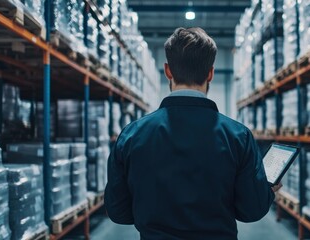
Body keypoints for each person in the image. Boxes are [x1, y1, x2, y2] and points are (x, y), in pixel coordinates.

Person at [105, 27, 281, 240]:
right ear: (210, 73)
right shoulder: (238, 136)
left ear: (168, 71)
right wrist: (266, 192)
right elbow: (250, 210)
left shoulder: (131, 136)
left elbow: (118, 211)